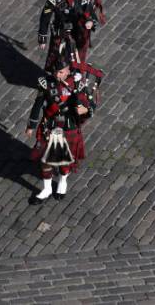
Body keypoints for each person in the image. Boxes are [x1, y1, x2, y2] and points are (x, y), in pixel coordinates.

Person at [25, 58, 103, 204]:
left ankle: (62, 181)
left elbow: (90, 105)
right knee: (45, 160)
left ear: (68, 70)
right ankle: (47, 188)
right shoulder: (46, 83)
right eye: (55, 72)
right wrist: (31, 125)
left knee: (65, 160)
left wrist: (85, 109)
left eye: (60, 72)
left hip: (69, 127)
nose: (57, 75)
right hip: (50, 126)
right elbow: (38, 104)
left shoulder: (77, 83)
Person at [38, 0, 105, 69]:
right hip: (60, 33)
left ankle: (77, 81)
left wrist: (90, 23)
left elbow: (91, 13)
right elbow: (45, 18)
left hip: (78, 34)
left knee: (78, 61)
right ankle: (55, 81)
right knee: (57, 60)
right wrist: (42, 38)